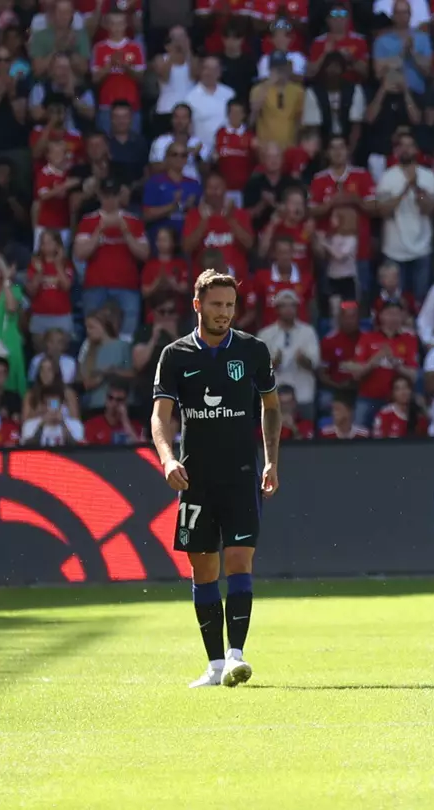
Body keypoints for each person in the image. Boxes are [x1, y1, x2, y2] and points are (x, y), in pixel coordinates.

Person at [151, 271, 281, 689]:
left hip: (242, 474)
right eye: (216, 304)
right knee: (203, 568)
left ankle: (236, 655)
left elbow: (272, 407)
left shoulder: (253, 350)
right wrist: (168, 459)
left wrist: (271, 461)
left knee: (240, 561)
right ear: (198, 305)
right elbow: (160, 417)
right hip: (196, 479)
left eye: (229, 305)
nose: (224, 312)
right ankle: (213, 665)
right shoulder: (175, 355)